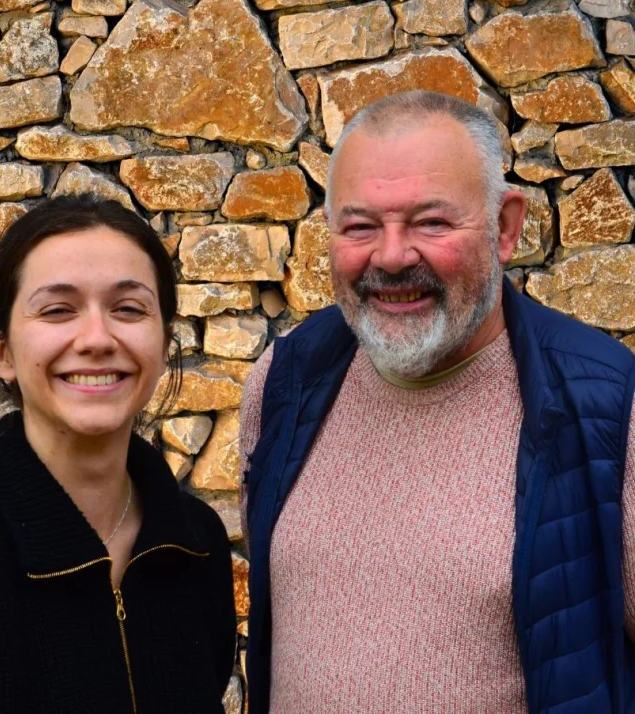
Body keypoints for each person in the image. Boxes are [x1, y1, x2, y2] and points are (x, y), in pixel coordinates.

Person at [240, 90, 635, 714]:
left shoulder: (612, 409)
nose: (392, 256)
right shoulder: (281, 384)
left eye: (431, 222)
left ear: (505, 227)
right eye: (361, 226)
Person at [0, 194, 236, 713]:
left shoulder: (197, 545)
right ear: (4, 353)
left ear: (165, 341)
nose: (97, 339)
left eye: (128, 309)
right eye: (58, 310)